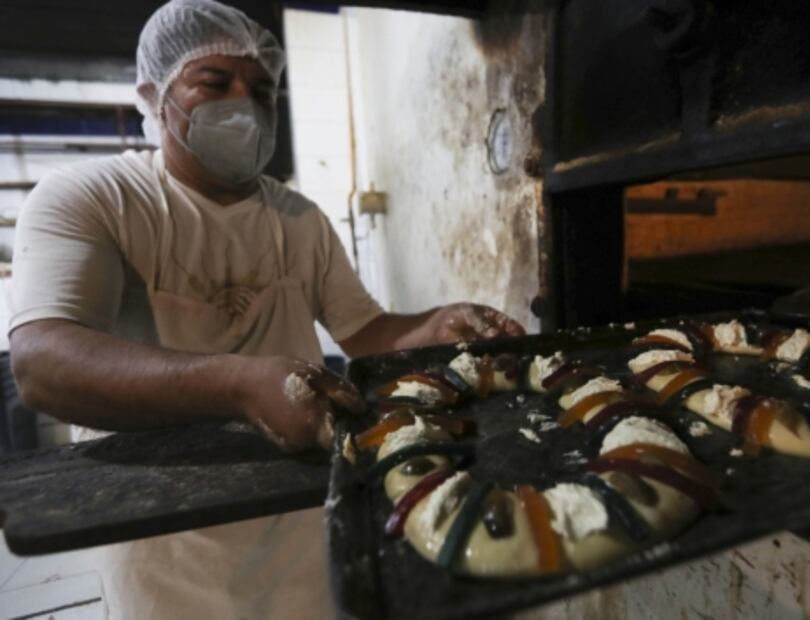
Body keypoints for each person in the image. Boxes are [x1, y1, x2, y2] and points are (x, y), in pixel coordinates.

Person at [8, 0, 524, 617]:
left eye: (262, 89)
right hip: (162, 536)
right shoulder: (98, 199)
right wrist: (239, 384)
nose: (245, 105)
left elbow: (366, 332)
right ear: (154, 95)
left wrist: (433, 325)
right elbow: (43, 363)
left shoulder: (298, 219)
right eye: (215, 83)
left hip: (299, 512)